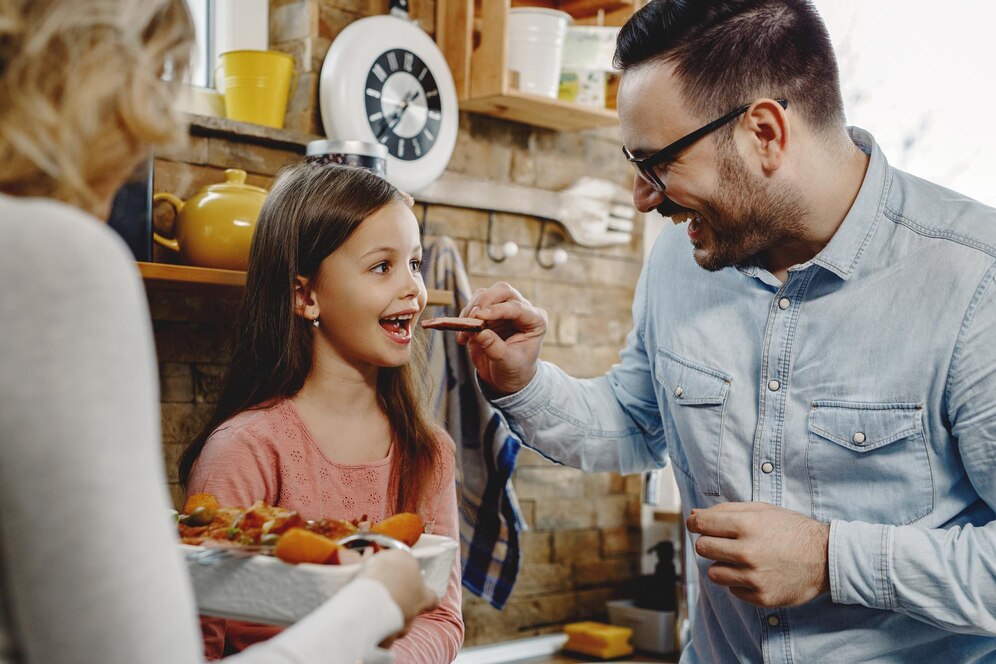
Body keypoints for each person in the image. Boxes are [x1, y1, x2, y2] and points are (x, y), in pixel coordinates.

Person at [456, 0, 996, 661]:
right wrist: (524, 383)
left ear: (764, 132)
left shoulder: (976, 285)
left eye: (657, 162)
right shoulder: (681, 263)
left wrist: (831, 558)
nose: (642, 197)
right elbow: (635, 423)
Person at [0, 2, 439, 663]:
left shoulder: (422, 446)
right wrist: (373, 605)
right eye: (150, 89)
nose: (146, 140)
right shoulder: (49, 260)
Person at [177, 162, 464, 663]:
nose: (413, 290)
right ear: (305, 294)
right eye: (382, 266)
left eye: (414, 264)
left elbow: (441, 615)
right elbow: (196, 639)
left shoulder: (429, 451)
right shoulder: (245, 450)